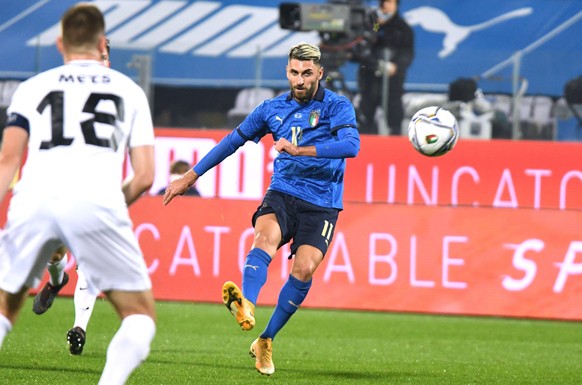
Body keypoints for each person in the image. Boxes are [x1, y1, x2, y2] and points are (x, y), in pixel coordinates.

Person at [163, 42, 360, 376]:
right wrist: (190, 176)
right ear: (287, 71)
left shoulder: (337, 106)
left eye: (307, 73)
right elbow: (231, 141)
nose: (300, 80)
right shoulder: (271, 109)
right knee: (263, 238)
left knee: (305, 269)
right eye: (294, 72)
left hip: (323, 202)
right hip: (283, 192)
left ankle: (265, 341)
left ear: (319, 73)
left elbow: (351, 146)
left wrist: (300, 150)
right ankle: (247, 306)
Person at [0, 4, 156, 384]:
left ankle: (52, 284)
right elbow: (145, 176)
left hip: (34, 198)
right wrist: (109, 209)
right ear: (101, 43)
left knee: (5, 307)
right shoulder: (129, 91)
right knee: (139, 317)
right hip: (96, 200)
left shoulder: (32, 87)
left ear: (59, 43)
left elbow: (8, 158)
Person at [31, 37, 113, 356]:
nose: (101, 63)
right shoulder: (64, 89)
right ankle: (56, 280)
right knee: (54, 253)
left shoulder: (120, 96)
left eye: (105, 57)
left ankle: (79, 326)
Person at [357, 0, 414, 135]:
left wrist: (396, 66)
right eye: (383, 2)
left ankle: (394, 150)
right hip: (370, 80)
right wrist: (377, 26)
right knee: (365, 117)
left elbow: (407, 53)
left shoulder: (402, 28)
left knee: (394, 116)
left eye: (389, 2)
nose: (385, 6)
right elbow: (364, 49)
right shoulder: (373, 25)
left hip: (392, 81)